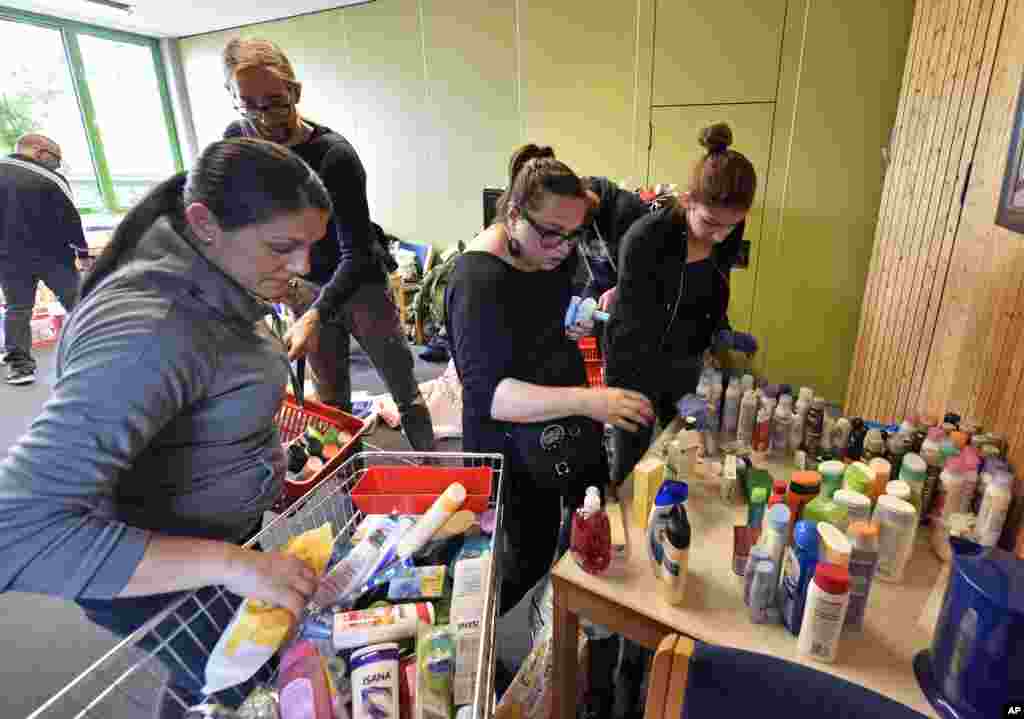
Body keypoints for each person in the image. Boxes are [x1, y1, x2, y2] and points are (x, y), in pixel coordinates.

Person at [0, 138, 332, 718]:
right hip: (164, 565)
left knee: (206, 678)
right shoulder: (150, 330)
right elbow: (16, 531)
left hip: (213, 542)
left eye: (311, 247)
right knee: (251, 683)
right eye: (283, 247)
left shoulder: (219, 278)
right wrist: (232, 565)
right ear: (203, 224)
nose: (304, 267)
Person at [445, 143, 654, 611]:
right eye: (552, 235)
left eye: (574, 236)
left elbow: (537, 317)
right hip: (509, 443)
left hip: (558, 422)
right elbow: (493, 396)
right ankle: (481, 637)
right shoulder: (476, 281)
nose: (563, 249)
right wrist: (589, 401)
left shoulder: (548, 250)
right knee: (521, 559)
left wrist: (570, 321)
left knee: (577, 523)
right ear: (513, 214)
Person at [221, 38, 435, 450]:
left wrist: (316, 314)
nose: (263, 120)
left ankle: (435, 472)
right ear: (233, 98)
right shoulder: (238, 142)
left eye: (276, 103)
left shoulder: (334, 156)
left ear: (295, 92)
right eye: (249, 105)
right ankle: (348, 482)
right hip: (304, 285)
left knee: (404, 390)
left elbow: (357, 254)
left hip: (359, 282)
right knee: (331, 404)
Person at [605, 122, 757, 487]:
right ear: (688, 200)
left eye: (731, 225)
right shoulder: (645, 240)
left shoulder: (727, 230)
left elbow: (714, 288)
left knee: (685, 450)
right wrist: (662, 393)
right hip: (635, 364)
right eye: (711, 223)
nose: (720, 235)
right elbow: (632, 331)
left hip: (685, 360)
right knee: (633, 463)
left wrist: (719, 330)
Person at [0, 133, 85, 385]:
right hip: (54, 257)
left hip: (10, 258)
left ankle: (19, 367)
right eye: (56, 159)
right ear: (39, 152)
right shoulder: (51, 178)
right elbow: (71, 219)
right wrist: (82, 252)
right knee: (79, 304)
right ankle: (101, 350)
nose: (57, 165)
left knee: (17, 309)